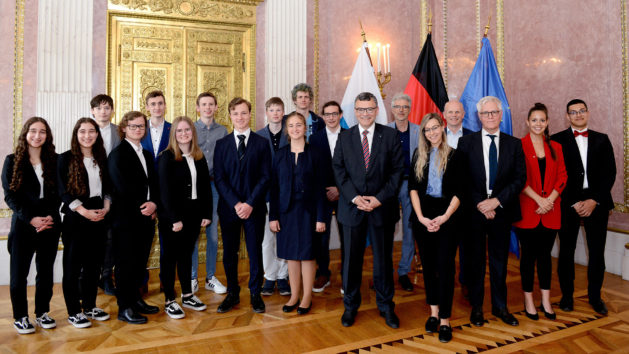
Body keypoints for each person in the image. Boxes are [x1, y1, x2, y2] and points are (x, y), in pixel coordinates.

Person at [332, 92, 404, 329]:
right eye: (361, 109)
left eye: (370, 109)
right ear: (355, 111)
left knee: (383, 261)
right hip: (352, 209)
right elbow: (339, 171)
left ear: (377, 110)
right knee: (351, 262)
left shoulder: (391, 136)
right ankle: (350, 307)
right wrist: (354, 198)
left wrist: (378, 199)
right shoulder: (344, 137)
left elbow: (397, 172)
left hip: (381, 208)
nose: (365, 113)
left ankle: (386, 307)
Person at [456, 96, 526, 327]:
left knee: (499, 262)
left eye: (494, 112)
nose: (490, 117)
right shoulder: (466, 143)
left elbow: (519, 179)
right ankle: (477, 308)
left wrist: (496, 201)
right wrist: (481, 204)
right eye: (486, 113)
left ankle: (500, 306)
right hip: (474, 212)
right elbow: (463, 179)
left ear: (501, 115)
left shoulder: (514, 144)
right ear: (479, 116)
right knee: (475, 262)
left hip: (502, 211)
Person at [552, 99, 616, 315]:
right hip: (568, 201)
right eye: (573, 112)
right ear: (567, 116)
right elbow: (555, 175)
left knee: (597, 252)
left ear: (587, 113)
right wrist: (573, 201)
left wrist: (594, 200)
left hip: (596, 202)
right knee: (566, 251)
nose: (578, 115)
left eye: (581, 111)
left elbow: (610, 174)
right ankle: (567, 296)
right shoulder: (556, 141)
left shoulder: (602, 139)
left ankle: (595, 297)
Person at [2, 117, 60, 334]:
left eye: (42, 131)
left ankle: (42, 312)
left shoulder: (54, 160)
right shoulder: (12, 160)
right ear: (25, 133)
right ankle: (21, 316)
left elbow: (59, 194)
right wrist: (31, 219)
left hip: (50, 224)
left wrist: (49, 218)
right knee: (19, 274)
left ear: (47, 135)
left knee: (45, 272)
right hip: (24, 225)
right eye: (33, 131)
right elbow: (10, 197)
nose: (37, 136)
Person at [214, 97, 271, 314]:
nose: (240, 117)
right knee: (230, 252)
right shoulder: (222, 145)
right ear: (230, 115)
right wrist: (237, 203)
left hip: (254, 209)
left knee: (255, 252)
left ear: (250, 115)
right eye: (236, 113)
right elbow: (219, 179)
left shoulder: (261, 143)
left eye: (244, 113)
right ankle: (233, 293)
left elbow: (266, 177)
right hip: (229, 210)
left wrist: (249, 203)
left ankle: (255, 293)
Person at [409, 113, 461, 343]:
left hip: (447, 217)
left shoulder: (455, 156)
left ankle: (445, 319)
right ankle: (433, 313)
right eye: (427, 129)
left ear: (443, 127)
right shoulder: (418, 155)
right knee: (428, 267)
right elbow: (412, 188)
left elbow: (461, 192)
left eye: (435, 127)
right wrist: (420, 217)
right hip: (423, 217)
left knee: (446, 268)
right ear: (424, 133)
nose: (432, 132)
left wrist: (444, 217)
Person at [269, 112, 327, 315]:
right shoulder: (280, 154)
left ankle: (307, 298)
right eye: (291, 125)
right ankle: (294, 296)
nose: (295, 129)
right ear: (287, 130)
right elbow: (274, 188)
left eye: (299, 125)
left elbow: (321, 188)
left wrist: (321, 217)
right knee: (292, 256)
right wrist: (273, 216)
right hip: (286, 212)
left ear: (305, 128)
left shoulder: (316, 153)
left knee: (308, 255)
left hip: (309, 213)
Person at [514, 103, 567, 320]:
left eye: (542, 120)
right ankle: (528, 300)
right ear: (527, 122)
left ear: (547, 122)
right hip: (528, 210)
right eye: (534, 120)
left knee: (545, 258)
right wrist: (539, 199)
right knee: (527, 258)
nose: (538, 124)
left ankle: (546, 299)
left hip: (551, 211)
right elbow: (518, 178)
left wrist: (549, 200)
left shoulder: (557, 147)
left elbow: (562, 176)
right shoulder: (519, 146)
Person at [57, 118, 112, 328]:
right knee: (72, 266)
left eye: (91, 131)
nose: (87, 135)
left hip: (99, 215)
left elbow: (108, 187)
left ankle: (89, 306)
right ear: (76, 134)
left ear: (97, 135)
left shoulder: (101, 158)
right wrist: (84, 212)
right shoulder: (65, 159)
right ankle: (73, 311)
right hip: (76, 218)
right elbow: (63, 191)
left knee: (94, 265)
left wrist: (106, 208)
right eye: (82, 131)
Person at [158, 116, 212, 319]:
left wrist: (206, 213)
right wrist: (174, 219)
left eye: (187, 130)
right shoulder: (167, 156)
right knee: (170, 257)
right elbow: (164, 192)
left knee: (186, 255)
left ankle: (187, 294)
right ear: (174, 134)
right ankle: (169, 300)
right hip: (173, 217)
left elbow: (206, 187)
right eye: (179, 131)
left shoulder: (199, 156)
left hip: (194, 215)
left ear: (192, 132)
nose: (183, 134)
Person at [108, 111, 159, 324]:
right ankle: (124, 307)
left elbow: (154, 184)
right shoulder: (117, 154)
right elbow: (121, 189)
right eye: (133, 126)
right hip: (126, 220)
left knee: (139, 263)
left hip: (146, 219)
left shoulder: (146, 154)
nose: (138, 129)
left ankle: (136, 300)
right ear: (123, 129)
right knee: (125, 265)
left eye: (141, 126)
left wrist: (154, 204)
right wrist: (143, 207)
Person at [190, 92, 228, 295]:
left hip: (214, 187)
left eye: (211, 104)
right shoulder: (190, 129)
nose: (207, 108)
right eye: (203, 104)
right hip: (194, 187)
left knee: (212, 234)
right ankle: (193, 277)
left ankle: (211, 277)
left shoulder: (223, 131)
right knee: (193, 234)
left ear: (216, 108)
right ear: (197, 107)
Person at [309, 101, 345, 293]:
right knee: (321, 237)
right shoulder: (315, 139)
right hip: (321, 195)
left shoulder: (350, 136)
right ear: (322, 116)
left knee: (347, 235)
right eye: (327, 114)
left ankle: (347, 274)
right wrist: (325, 189)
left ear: (340, 115)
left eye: (334, 114)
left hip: (345, 195)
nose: (331, 117)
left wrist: (339, 189)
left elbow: (354, 169)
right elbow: (313, 170)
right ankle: (323, 273)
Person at [257, 97, 291, 297]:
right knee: (267, 239)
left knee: (284, 237)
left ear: (283, 112)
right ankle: (269, 276)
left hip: (287, 195)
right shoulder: (259, 136)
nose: (276, 113)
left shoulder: (291, 133)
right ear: (266, 112)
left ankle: (283, 276)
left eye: (279, 110)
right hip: (266, 195)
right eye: (272, 110)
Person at [386, 93, 420, 292]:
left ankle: (403, 272)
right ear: (392, 109)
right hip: (389, 186)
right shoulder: (384, 131)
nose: (401, 110)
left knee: (409, 230)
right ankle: (386, 272)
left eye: (405, 107)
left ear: (409, 109)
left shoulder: (418, 131)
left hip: (411, 185)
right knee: (387, 230)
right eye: (397, 106)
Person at [443, 99, 474, 298]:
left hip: (467, 201)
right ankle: (444, 281)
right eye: (450, 112)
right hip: (442, 201)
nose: (454, 115)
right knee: (445, 245)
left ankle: (466, 281)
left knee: (467, 245)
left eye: (458, 112)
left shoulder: (473, 137)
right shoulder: (435, 136)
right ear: (444, 115)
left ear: (463, 114)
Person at [90, 94, 120, 296]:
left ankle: (106, 276)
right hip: (91, 191)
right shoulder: (85, 130)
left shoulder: (119, 131)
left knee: (111, 238)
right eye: (99, 108)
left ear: (112, 110)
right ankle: (89, 276)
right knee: (92, 238)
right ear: (93, 111)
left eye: (107, 107)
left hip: (115, 191)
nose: (103, 111)